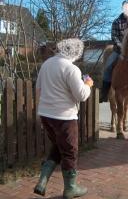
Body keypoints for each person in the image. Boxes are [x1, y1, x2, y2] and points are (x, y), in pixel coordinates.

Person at [34, 38, 94, 199]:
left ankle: (42, 181)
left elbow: (38, 88)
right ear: (75, 53)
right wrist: (87, 84)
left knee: (58, 146)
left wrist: (39, 110)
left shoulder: (46, 65)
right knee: (69, 152)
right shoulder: (71, 69)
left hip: (46, 115)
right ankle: (70, 189)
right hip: (64, 117)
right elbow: (81, 95)